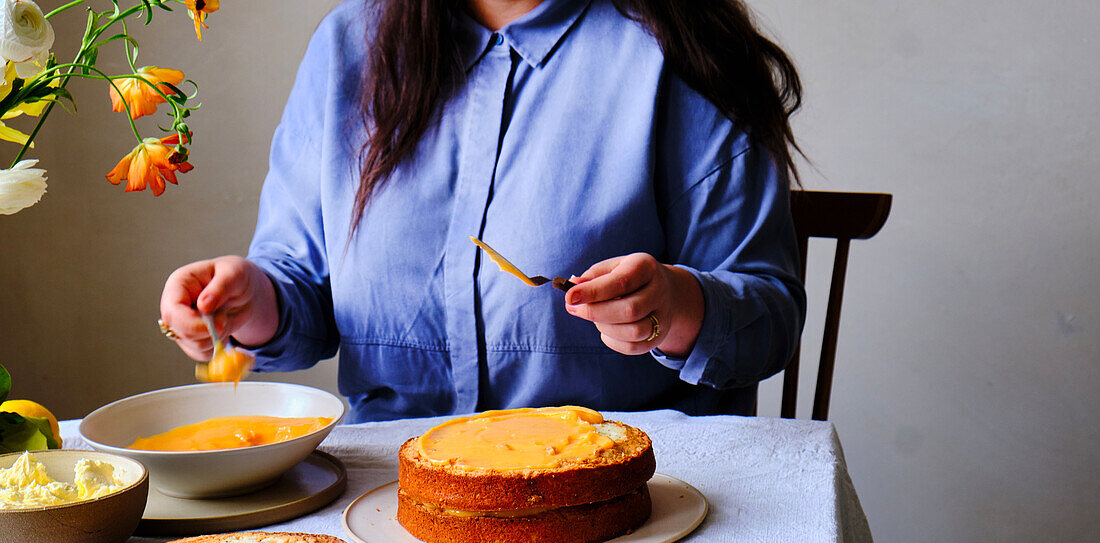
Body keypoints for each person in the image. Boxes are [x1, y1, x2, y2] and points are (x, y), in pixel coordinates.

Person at [158, 0, 807, 422]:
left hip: (634, 500)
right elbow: (302, 294)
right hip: (390, 501)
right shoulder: (347, 47)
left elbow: (768, 318)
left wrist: (676, 305)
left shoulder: (684, 54)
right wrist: (250, 301)